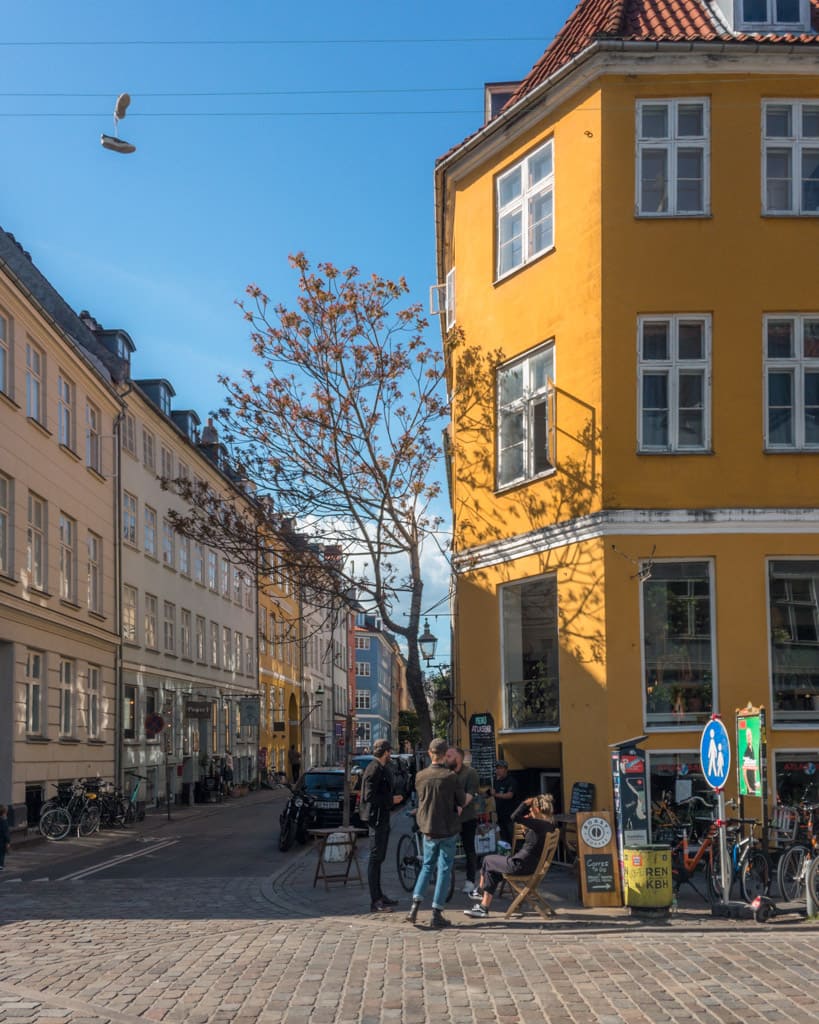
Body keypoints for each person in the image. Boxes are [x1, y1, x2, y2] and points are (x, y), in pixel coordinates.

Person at [406, 738, 471, 929]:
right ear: (444, 755)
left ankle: (414, 907)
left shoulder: (420, 776)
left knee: (427, 865)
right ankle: (437, 911)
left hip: (428, 828)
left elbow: (422, 800)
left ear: (429, 753)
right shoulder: (450, 777)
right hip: (447, 828)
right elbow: (460, 801)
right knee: (443, 869)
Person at [464, 795, 556, 920]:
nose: (529, 811)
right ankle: (483, 908)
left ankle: (479, 890)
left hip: (519, 865)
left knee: (487, 859)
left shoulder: (538, 824)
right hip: (529, 865)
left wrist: (524, 803)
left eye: (531, 808)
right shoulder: (549, 825)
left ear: (537, 810)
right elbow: (533, 842)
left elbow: (514, 817)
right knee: (493, 872)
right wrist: (526, 830)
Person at [360, 738, 404, 912]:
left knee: (379, 859)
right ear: (386, 752)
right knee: (375, 858)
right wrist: (391, 799)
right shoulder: (374, 769)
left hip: (382, 818)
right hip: (376, 819)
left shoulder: (380, 768)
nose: (391, 755)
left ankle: (379, 896)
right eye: (390, 752)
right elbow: (368, 797)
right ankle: (375, 900)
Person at [446, 745, 480, 894]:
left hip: (467, 818)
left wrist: (459, 805)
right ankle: (446, 880)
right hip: (450, 819)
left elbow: (470, 794)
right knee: (447, 849)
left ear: (458, 758)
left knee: (469, 849)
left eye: (449, 756)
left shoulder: (470, 773)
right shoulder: (446, 773)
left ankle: (470, 881)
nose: (446, 758)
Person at [490, 760, 519, 847]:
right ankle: (505, 856)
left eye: (500, 768)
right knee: (503, 839)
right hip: (500, 816)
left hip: (510, 816)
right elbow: (491, 792)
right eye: (497, 768)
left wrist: (495, 794)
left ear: (506, 769)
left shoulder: (511, 781)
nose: (498, 770)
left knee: (512, 838)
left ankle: (515, 855)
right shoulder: (496, 780)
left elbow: (509, 795)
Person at [0, 805, 9, 871]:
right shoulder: (4, 822)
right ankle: (1, 865)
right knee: (2, 853)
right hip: (2, 841)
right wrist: (8, 842)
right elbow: (5, 833)